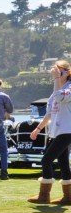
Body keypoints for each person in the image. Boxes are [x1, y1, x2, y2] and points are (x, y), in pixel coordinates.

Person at [27, 60, 71, 204]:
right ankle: (68, 197)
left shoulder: (69, 88)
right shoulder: (55, 91)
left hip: (67, 130)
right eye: (55, 71)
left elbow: (60, 96)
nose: (57, 73)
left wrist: (56, 78)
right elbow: (50, 113)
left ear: (68, 72)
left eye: (61, 71)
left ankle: (44, 195)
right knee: (63, 163)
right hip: (57, 131)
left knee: (46, 160)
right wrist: (38, 128)